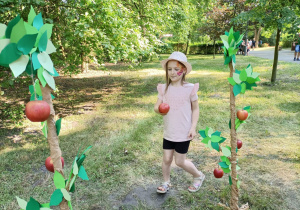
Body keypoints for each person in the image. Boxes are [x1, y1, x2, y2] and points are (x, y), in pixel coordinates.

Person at [154, 51, 205, 194]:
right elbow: (156, 107)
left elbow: (195, 109)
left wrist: (193, 127)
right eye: (169, 69)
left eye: (176, 69)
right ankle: (166, 182)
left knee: (180, 161)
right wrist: (160, 110)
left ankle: (198, 175)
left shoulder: (190, 89)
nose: (172, 72)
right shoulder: (164, 89)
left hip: (183, 132)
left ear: (183, 71)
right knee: (166, 159)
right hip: (169, 131)